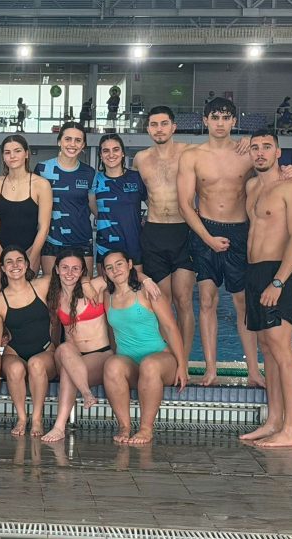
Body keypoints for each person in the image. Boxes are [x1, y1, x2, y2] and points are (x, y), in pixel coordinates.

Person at [177, 97, 263, 386]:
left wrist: (290, 172)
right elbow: (185, 204)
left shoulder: (247, 153)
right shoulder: (192, 156)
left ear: (234, 121)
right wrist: (208, 238)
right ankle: (211, 369)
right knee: (206, 301)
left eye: (226, 118)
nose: (220, 123)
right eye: (215, 117)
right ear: (205, 121)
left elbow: (272, 173)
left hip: (240, 231)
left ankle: (254, 371)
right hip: (206, 231)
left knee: (243, 303)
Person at [241, 130, 292, 447]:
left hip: (278, 272)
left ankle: (291, 430)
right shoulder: (252, 187)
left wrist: (279, 281)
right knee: (267, 348)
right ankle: (273, 421)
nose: (260, 152)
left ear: (278, 152)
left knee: (282, 348)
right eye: (255, 147)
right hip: (254, 272)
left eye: (267, 147)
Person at [132, 106, 199, 370]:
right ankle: (169, 359)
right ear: (148, 129)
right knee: (161, 301)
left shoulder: (190, 152)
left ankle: (186, 360)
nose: (159, 129)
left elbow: (223, 161)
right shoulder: (140, 159)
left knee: (184, 300)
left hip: (184, 231)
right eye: (153, 124)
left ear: (173, 127)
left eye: (163, 124)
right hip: (154, 233)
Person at [100, 251, 188, 445]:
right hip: (131, 364)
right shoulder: (107, 296)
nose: (115, 270)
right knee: (112, 364)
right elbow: (112, 332)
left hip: (160, 361)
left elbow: (171, 328)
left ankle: (146, 429)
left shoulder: (148, 291)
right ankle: (124, 427)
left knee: (150, 364)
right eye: (109, 267)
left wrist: (182, 365)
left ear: (130, 264)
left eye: (119, 264)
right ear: (105, 273)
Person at [42, 248, 112, 443]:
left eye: (75, 268)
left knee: (68, 371)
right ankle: (86, 393)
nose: (69, 273)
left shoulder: (94, 286)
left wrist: (147, 281)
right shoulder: (55, 297)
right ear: (57, 269)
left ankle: (59, 427)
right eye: (65, 268)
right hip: (71, 354)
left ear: (82, 271)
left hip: (100, 355)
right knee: (65, 350)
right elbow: (54, 330)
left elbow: (125, 275)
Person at [0, 246, 58, 437]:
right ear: (3, 268)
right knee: (15, 369)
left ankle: (36, 419)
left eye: (19, 260)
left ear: (27, 264)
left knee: (36, 364)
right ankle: (22, 418)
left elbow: (71, 277)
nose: (15, 265)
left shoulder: (42, 284)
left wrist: (87, 284)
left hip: (45, 351)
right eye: (9, 262)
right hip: (15, 352)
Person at [0, 134, 52, 292]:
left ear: (26, 154)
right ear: (3, 157)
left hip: (29, 247)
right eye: (7, 152)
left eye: (17, 151)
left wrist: (31, 257)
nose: (12, 156)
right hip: (0, 244)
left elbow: (44, 227)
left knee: (24, 296)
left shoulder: (41, 185)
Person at [35, 122, 96, 275]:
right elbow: (29, 204)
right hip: (51, 240)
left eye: (78, 140)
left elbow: (95, 207)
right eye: (68, 139)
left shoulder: (89, 173)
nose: (72, 144)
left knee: (84, 286)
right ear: (59, 141)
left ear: (83, 145)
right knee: (52, 286)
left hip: (81, 239)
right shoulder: (42, 169)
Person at [92, 133, 147, 272]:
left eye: (116, 149)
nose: (111, 154)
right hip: (105, 245)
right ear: (100, 155)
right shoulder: (95, 180)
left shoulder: (136, 178)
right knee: (106, 285)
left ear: (123, 153)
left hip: (133, 244)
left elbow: (153, 205)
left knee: (136, 284)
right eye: (106, 151)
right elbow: (94, 208)